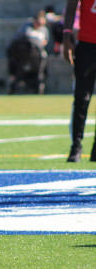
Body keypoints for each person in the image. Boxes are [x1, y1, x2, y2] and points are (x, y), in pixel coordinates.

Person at [63, 0, 96, 162]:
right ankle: (76, 145)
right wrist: (66, 35)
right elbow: (70, 8)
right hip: (87, 45)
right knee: (81, 99)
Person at [7, 10, 49, 94]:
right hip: (22, 55)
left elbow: (45, 42)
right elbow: (24, 39)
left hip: (36, 57)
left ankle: (41, 80)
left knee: (44, 58)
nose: (39, 25)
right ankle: (13, 79)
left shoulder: (44, 30)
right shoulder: (26, 27)